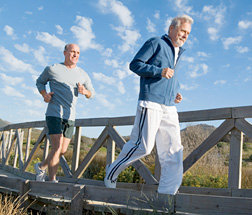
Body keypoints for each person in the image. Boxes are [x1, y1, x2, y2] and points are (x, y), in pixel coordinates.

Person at [104, 15, 193, 195]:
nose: (185, 35)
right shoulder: (156, 42)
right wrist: (159, 71)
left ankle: (167, 195)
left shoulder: (179, 52)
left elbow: (172, 76)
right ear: (171, 29)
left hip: (169, 105)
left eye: (188, 33)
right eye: (182, 31)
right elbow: (135, 64)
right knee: (142, 146)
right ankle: (111, 172)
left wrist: (175, 92)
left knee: (173, 151)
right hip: (151, 101)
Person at [35, 43, 95, 182]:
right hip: (54, 113)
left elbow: (92, 93)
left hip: (70, 116)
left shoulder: (83, 74)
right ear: (64, 52)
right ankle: (52, 181)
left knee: (62, 150)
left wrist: (85, 92)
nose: (75, 55)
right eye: (72, 51)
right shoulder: (52, 69)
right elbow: (40, 82)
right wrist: (44, 95)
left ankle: (41, 166)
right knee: (56, 147)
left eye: (78, 53)